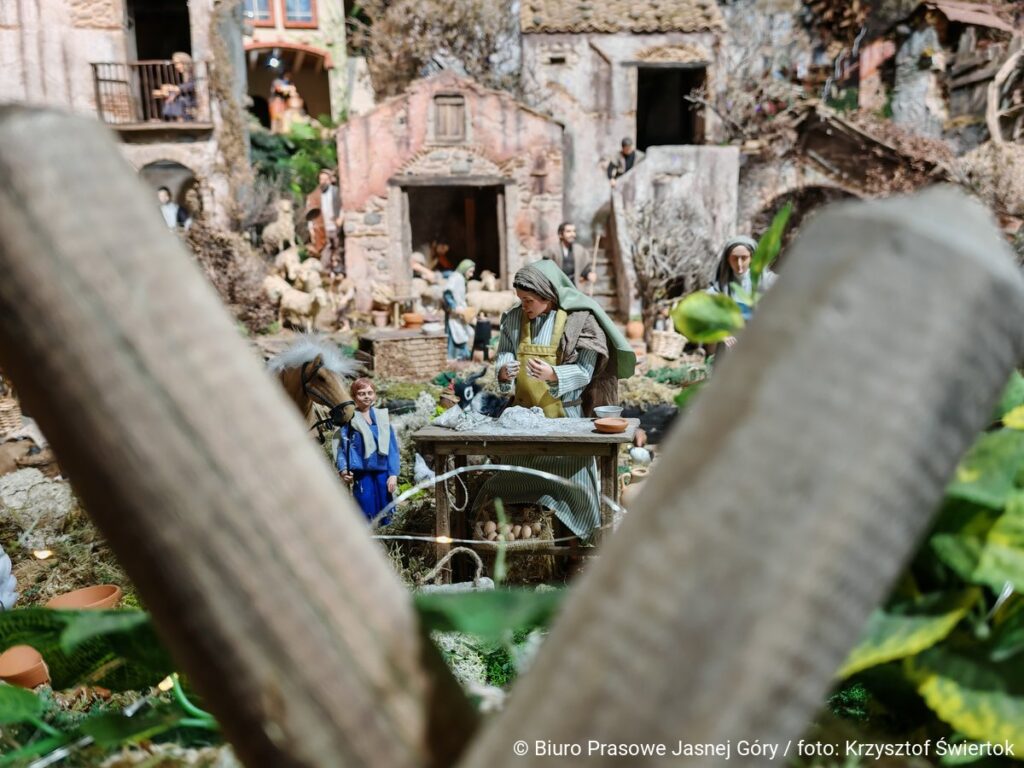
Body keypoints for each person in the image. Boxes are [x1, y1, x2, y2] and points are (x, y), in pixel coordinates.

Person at [475, 259, 636, 542]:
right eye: (521, 300)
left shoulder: (579, 322)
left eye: (529, 300)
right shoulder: (514, 319)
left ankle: (580, 545)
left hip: (564, 420)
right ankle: (527, 540)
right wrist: (504, 370)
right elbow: (504, 353)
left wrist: (554, 374)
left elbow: (585, 372)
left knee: (576, 487)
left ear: (547, 295)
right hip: (523, 422)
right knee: (512, 480)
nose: (524, 306)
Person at [336, 378, 400, 525]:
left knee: (386, 504)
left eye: (370, 393)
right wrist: (343, 469)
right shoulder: (350, 421)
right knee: (365, 503)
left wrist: (393, 474)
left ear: (375, 395)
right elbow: (342, 447)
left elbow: (392, 448)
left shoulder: (382, 418)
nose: (366, 396)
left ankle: (387, 534)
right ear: (354, 397)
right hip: (362, 471)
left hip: (382, 470)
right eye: (361, 393)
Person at [706, 235, 778, 350]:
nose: (739, 264)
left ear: (752, 258)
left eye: (744, 258)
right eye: (734, 258)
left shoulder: (768, 281)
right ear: (727, 259)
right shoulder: (718, 289)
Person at [304, 169, 344, 275]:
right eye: (321, 179)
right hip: (323, 228)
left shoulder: (337, 192)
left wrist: (341, 218)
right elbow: (311, 214)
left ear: (330, 180)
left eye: (325, 179)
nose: (323, 182)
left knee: (339, 249)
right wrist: (311, 228)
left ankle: (340, 272)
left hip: (335, 226)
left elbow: (344, 205)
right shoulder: (315, 195)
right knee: (325, 252)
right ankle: (325, 273)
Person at [544, 222, 595, 288]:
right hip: (557, 287)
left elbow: (584, 268)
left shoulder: (579, 250)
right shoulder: (552, 251)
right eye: (568, 231)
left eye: (574, 231)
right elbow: (545, 269)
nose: (572, 234)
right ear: (560, 234)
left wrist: (588, 274)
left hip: (574, 287)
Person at [444, 259, 476, 360]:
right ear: (464, 269)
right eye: (470, 271)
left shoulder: (461, 279)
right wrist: (454, 306)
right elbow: (447, 293)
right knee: (456, 334)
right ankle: (454, 358)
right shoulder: (455, 277)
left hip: (460, 314)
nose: (471, 275)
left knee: (462, 334)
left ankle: (462, 356)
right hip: (454, 314)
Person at [160, 52, 196, 122]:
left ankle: (180, 119)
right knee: (173, 95)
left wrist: (176, 88)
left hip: (194, 100)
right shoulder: (185, 74)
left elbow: (192, 85)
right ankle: (177, 118)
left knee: (180, 99)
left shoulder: (194, 72)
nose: (176, 66)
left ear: (184, 62)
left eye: (177, 63)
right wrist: (174, 93)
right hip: (188, 100)